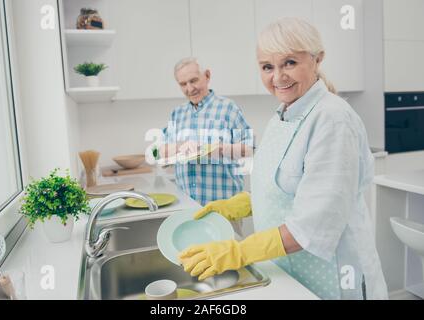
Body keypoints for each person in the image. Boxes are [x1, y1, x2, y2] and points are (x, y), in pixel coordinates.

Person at [178, 18, 388, 300]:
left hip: (335, 278)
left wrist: (238, 252)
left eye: (289, 62)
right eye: (267, 67)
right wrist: (241, 204)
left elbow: (311, 225)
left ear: (317, 59)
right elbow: (284, 188)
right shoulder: (284, 113)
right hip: (292, 273)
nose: (278, 77)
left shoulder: (332, 120)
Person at [160, 57, 253, 206]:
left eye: (193, 80)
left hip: (224, 206)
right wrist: (182, 147)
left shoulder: (228, 108)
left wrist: (217, 149)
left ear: (207, 76)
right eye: (183, 84)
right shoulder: (177, 113)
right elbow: (163, 153)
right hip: (186, 206)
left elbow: (248, 149)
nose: (189, 89)